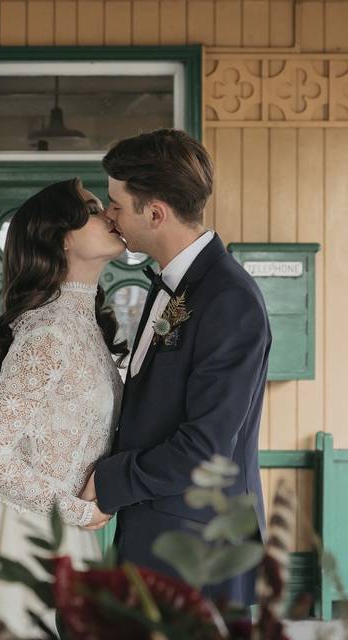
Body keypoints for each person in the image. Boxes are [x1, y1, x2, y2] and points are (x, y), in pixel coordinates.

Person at [0, 178, 126, 638]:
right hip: (24, 539)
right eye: (91, 209)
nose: (108, 214)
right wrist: (76, 512)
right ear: (61, 236)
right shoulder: (48, 334)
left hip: (64, 536)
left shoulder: (84, 325)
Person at [80, 128, 272, 606]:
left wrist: (109, 482)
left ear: (156, 213)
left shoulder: (228, 299)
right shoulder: (175, 286)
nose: (109, 215)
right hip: (159, 537)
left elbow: (205, 449)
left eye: (117, 204)